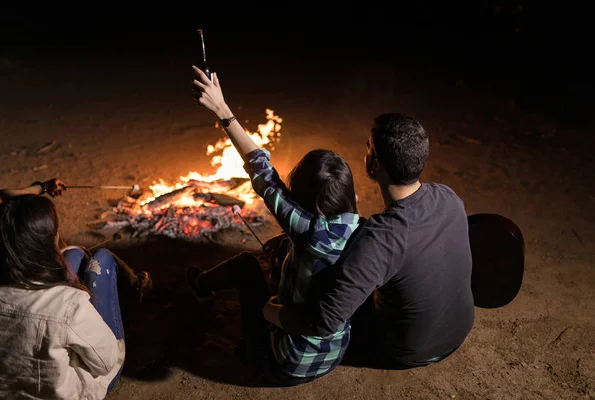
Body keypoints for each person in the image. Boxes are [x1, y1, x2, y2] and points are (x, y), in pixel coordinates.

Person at [187, 66, 363, 386]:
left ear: (305, 197)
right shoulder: (361, 226)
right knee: (282, 252)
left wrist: (223, 110)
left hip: (286, 364)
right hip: (335, 352)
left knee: (245, 265)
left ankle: (201, 286)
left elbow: (263, 174)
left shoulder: (307, 230)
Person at [263, 113, 475, 369]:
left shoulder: (381, 238)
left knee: (326, 281)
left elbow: (324, 323)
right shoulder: (448, 196)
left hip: (405, 351)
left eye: (368, 147)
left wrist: (272, 313)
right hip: (457, 334)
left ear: (374, 164)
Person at [0, 187, 152, 398]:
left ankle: (132, 286)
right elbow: (105, 362)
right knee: (101, 260)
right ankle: (136, 288)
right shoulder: (69, 304)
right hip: (67, 393)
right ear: (49, 240)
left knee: (74, 253)